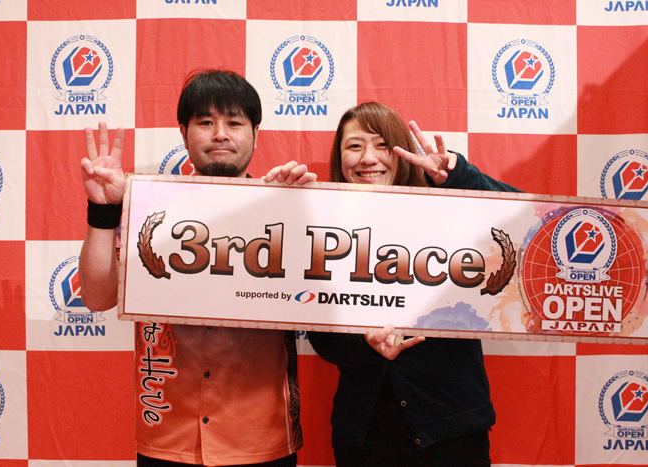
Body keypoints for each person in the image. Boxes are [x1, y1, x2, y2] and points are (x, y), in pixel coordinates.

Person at [79, 69, 315, 467]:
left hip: (261, 435)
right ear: (184, 133)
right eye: (205, 122)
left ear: (255, 133)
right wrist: (103, 212)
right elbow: (97, 297)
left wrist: (308, 212)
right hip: (167, 431)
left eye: (234, 123)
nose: (220, 134)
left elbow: (325, 302)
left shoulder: (286, 205)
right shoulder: (151, 208)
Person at [268, 102, 521, 467]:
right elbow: (322, 338)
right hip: (364, 433)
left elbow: (528, 222)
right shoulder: (323, 228)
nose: (368, 158)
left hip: (452, 429)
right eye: (355, 146)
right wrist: (365, 343)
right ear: (340, 159)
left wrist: (458, 175)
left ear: (402, 153)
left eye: (382, 145)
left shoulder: (448, 208)